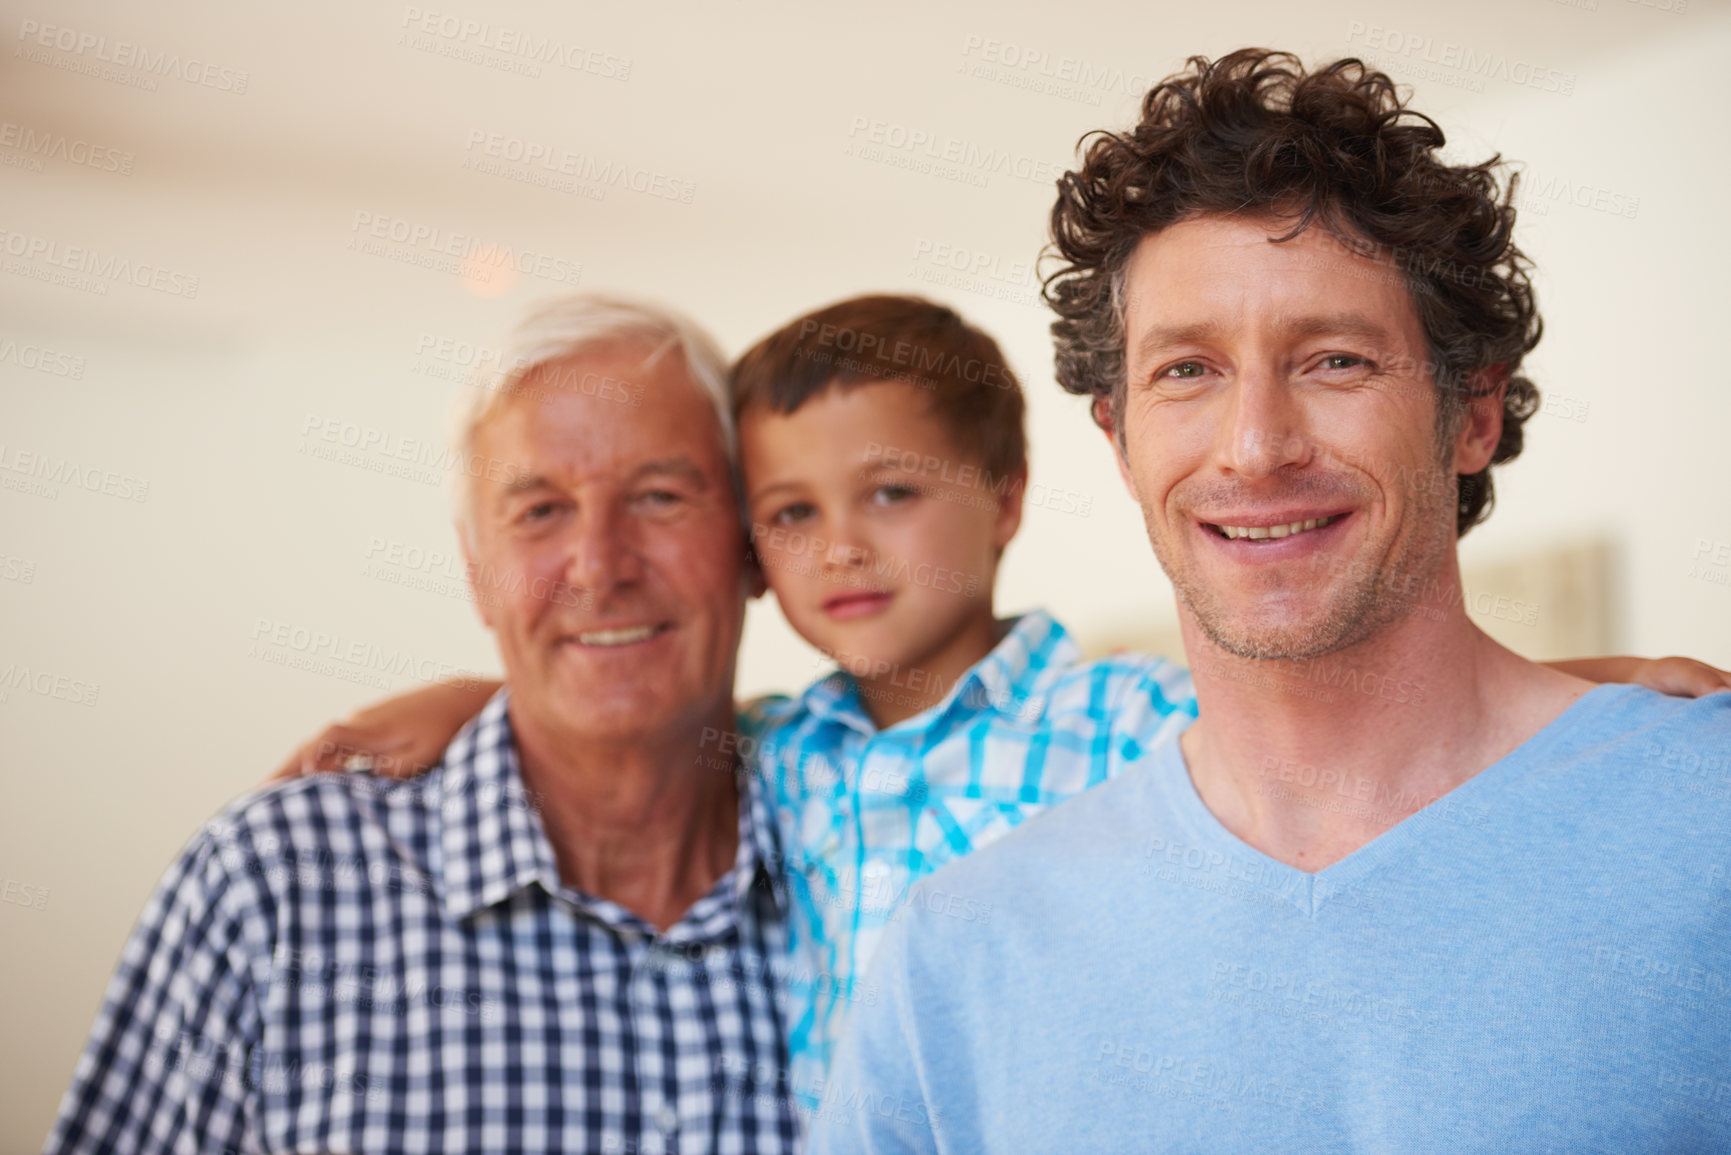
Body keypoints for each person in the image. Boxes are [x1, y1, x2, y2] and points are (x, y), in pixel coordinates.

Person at [272, 290, 1727, 1126]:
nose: (840, 544)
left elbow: (1362, 720)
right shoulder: (772, 753)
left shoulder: (1114, 718)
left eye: (891, 494)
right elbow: (609, 703)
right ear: (747, 554)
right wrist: (472, 693)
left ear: (1007, 498)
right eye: (789, 512)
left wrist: (1589, 682)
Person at [809, 49, 1731, 1152]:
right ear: (1119, 438)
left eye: (1335, 360)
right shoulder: (956, 955)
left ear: (1472, 412)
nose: (1255, 448)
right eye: (1186, 372)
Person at [44, 297, 801, 1154]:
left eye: (660, 496)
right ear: (476, 570)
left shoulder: (866, 862)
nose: (599, 564)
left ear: (752, 543)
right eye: (539, 510)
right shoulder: (275, 888)